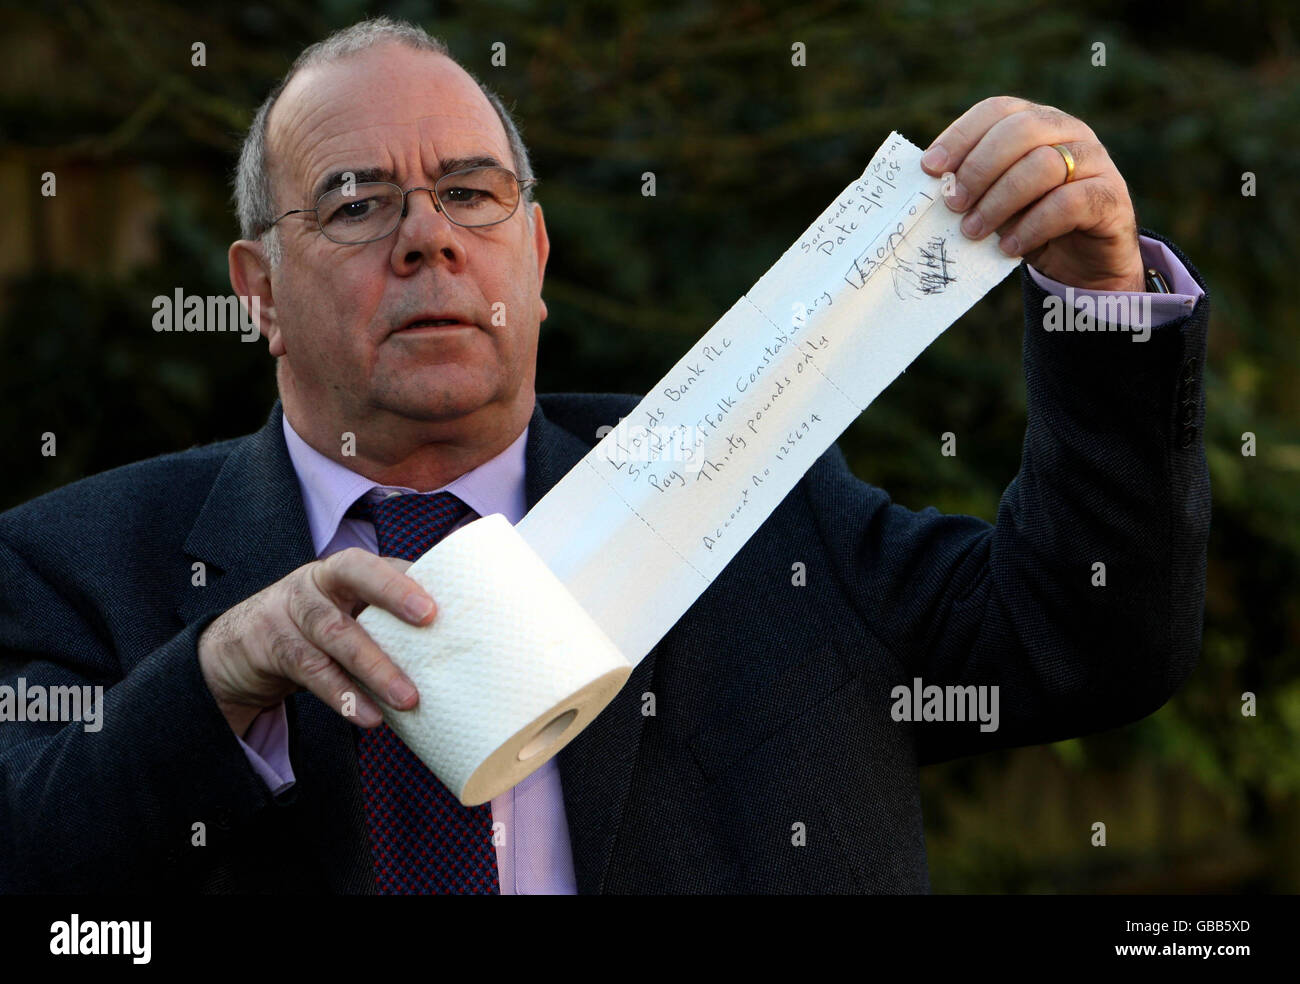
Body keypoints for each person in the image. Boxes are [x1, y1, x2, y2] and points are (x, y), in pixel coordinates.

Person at [0, 16, 1209, 894]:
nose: (427, 239)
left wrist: (1099, 303)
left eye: (470, 195)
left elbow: (1090, 647)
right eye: (358, 204)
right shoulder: (71, 566)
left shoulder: (757, 497)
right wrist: (219, 677)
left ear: (534, 253)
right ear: (255, 289)